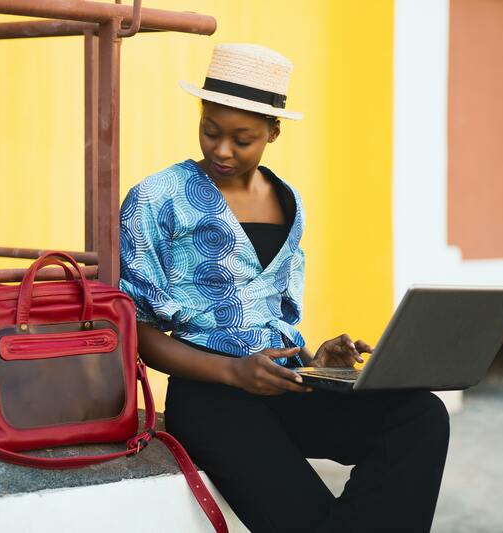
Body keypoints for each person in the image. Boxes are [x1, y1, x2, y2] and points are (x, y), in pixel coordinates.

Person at [119, 43, 449, 532]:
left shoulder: (289, 199)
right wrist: (235, 374)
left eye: (242, 138)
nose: (222, 150)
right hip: (211, 399)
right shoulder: (155, 198)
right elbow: (139, 334)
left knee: (420, 415)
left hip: (288, 385)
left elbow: (273, 314)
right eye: (211, 131)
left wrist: (318, 361)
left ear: (273, 132)